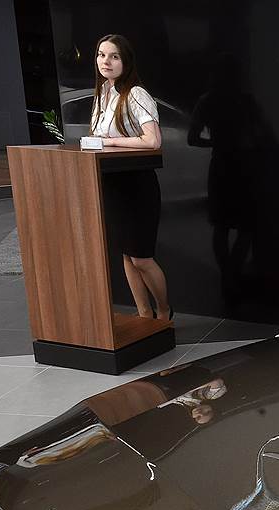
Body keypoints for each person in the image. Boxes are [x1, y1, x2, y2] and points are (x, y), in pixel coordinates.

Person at [90, 34, 171, 320]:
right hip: (113, 184)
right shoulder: (103, 93)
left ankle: (164, 312)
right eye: (101, 55)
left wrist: (111, 142)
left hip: (136, 185)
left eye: (114, 56)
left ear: (126, 61)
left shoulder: (136, 94)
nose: (106, 61)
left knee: (141, 258)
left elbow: (153, 140)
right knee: (126, 254)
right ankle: (144, 315)